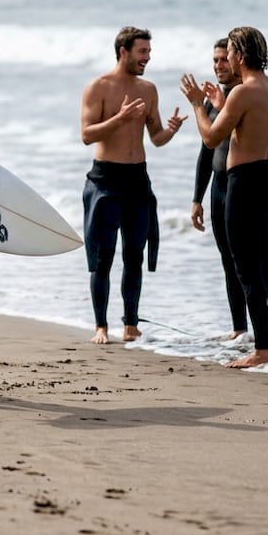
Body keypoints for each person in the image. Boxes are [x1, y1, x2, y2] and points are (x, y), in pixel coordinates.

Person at [180, 26, 268, 368]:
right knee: (261, 265)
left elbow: (211, 138)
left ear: (240, 55)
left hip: (243, 182)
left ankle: (262, 350)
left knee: (245, 267)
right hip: (267, 179)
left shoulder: (243, 92)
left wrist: (198, 105)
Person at [81, 26, 187, 345]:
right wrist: (120, 119)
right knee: (104, 256)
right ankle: (101, 325)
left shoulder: (149, 89)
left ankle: (130, 323)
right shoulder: (98, 87)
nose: (147, 57)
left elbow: (155, 138)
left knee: (134, 254)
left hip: (137, 179)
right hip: (105, 179)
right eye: (142, 52)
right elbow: (87, 135)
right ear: (123, 51)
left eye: (149, 52)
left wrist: (170, 130)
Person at [190, 38, 248, 340]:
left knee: (249, 261)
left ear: (238, 60)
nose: (218, 65)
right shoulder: (215, 102)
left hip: (242, 186)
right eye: (215, 60)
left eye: (224, 59)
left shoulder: (242, 98)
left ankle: (265, 332)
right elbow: (206, 151)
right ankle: (240, 329)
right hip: (218, 188)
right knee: (228, 260)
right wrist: (197, 198)